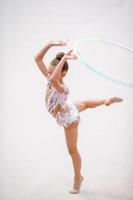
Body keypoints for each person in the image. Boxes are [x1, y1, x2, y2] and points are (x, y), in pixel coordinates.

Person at [34, 40, 123, 194]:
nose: (49, 74)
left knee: (72, 150)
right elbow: (37, 59)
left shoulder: (62, 88)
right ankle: (105, 100)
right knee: (85, 104)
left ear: (64, 73)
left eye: (53, 71)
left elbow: (54, 80)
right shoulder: (51, 77)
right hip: (68, 106)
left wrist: (64, 59)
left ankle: (78, 178)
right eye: (49, 70)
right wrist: (50, 44)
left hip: (69, 120)